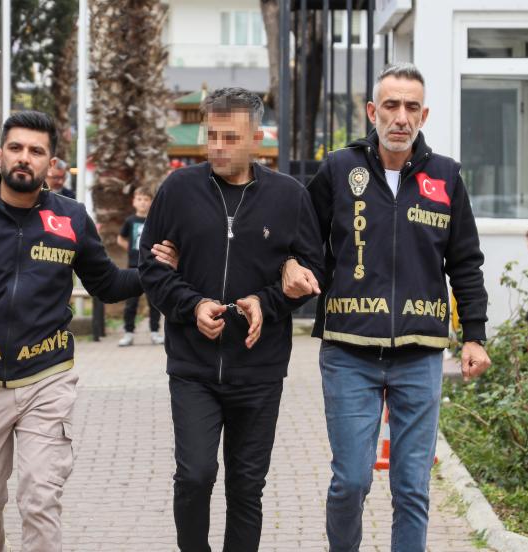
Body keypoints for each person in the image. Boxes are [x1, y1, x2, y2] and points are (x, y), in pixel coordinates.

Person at [0, 110, 145, 552]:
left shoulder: (71, 218)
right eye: (16, 148)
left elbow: (109, 284)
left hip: (47, 379)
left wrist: (160, 271)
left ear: (50, 164)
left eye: (36, 151)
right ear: (0, 154)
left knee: (40, 499)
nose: (24, 157)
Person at [282, 63, 492, 552]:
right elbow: (302, 239)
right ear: (372, 111)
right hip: (348, 351)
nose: (401, 117)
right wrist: (290, 264)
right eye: (392, 106)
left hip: (420, 354)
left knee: (412, 487)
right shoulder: (338, 169)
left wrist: (475, 335)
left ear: (424, 115)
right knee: (351, 481)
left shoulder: (446, 177)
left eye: (411, 107)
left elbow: (465, 262)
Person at [139, 87, 324, 552]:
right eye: (212, 135)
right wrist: (192, 305)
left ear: (257, 139)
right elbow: (151, 267)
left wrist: (266, 301)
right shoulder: (178, 191)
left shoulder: (289, 197)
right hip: (193, 368)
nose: (217, 146)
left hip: (260, 371)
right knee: (195, 475)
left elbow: (311, 273)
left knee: (246, 487)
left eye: (230, 137)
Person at [117, 187, 164, 346]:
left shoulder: (154, 221)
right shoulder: (130, 221)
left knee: (154, 302)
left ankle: (155, 332)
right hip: (133, 267)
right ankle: (128, 333)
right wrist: (132, 251)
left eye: (146, 199)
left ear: (151, 202)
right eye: (139, 199)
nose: (143, 203)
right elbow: (121, 239)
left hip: (151, 266)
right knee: (131, 302)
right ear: (134, 202)